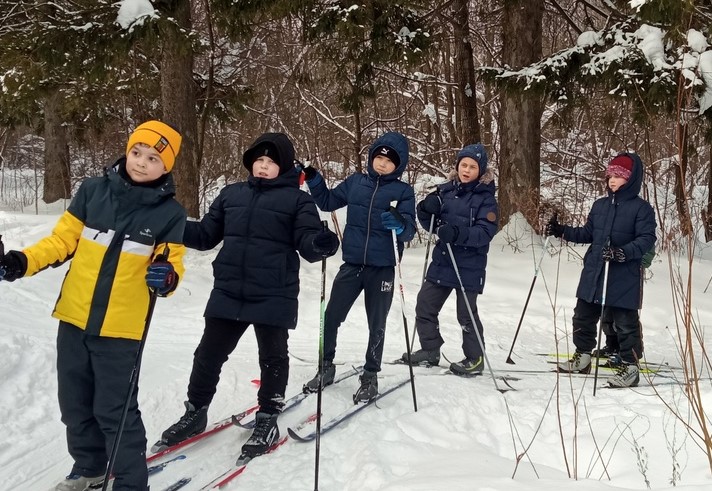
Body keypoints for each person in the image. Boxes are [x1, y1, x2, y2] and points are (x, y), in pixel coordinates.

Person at [0, 120, 187, 491]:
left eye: (153, 158)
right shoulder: (93, 191)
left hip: (120, 330)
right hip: (74, 317)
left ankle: (132, 484)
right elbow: (61, 242)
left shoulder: (170, 214)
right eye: (136, 152)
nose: (140, 162)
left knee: (114, 410)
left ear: (166, 167)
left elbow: (171, 263)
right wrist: (21, 262)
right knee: (74, 405)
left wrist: (165, 276)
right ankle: (90, 468)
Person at [158, 133, 340, 461]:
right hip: (229, 289)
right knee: (207, 355)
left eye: (271, 162)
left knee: (272, 358)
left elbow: (308, 242)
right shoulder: (231, 195)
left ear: (283, 166)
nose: (263, 166)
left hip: (273, 291)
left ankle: (267, 417)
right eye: (259, 160)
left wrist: (321, 243)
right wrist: (172, 225)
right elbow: (205, 235)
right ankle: (195, 412)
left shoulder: (298, 202)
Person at [300, 131, 416, 403]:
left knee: (376, 324)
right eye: (379, 157)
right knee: (330, 317)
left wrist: (399, 223)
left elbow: (408, 231)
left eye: (390, 161)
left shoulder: (402, 191)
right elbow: (328, 202)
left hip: (383, 268)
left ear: (398, 165)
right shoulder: (356, 182)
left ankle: (370, 375)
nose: (382, 164)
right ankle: (325, 366)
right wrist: (315, 179)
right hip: (352, 264)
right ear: (372, 156)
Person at [547, 152, 656, 388]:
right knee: (583, 315)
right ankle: (583, 356)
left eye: (619, 175)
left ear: (631, 178)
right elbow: (588, 233)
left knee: (625, 323)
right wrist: (562, 231)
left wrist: (622, 252)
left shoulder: (642, 209)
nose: (613, 180)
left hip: (623, 275)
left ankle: (630, 366)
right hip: (595, 270)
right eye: (611, 175)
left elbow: (646, 239)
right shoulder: (600, 205)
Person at [400, 144, 498, 376]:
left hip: (469, 266)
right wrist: (425, 209)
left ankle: (475, 358)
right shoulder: (445, 191)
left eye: (472, 166)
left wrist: (456, 233)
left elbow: (485, 233)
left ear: (480, 170)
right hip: (443, 261)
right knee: (425, 304)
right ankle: (430, 349)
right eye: (463, 165)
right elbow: (429, 224)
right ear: (457, 166)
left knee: (466, 314)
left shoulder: (486, 200)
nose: (466, 170)